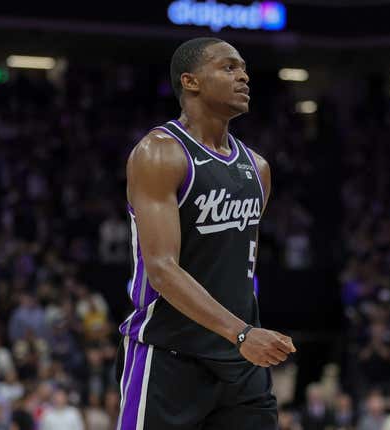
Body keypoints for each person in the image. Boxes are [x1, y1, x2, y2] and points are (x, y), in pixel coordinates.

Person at [116, 37, 296, 430]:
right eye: (228, 67)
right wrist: (243, 333)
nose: (243, 76)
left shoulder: (258, 168)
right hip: (169, 356)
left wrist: (244, 338)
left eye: (244, 68)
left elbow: (237, 267)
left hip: (240, 365)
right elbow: (162, 269)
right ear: (191, 81)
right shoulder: (160, 153)